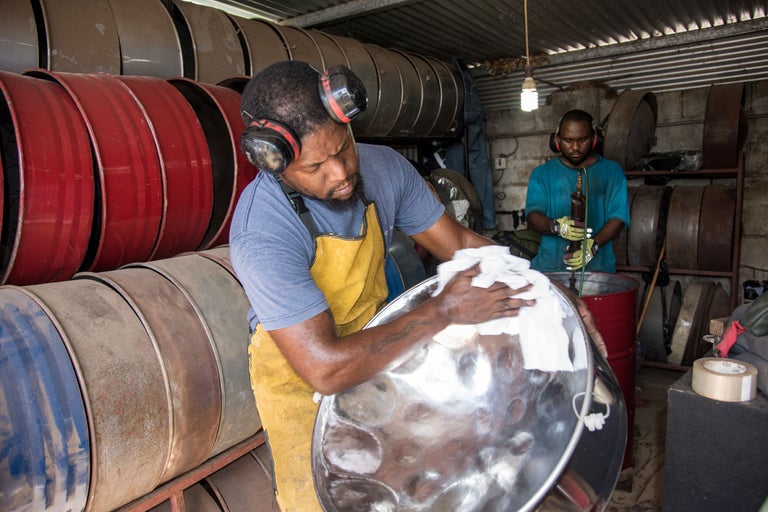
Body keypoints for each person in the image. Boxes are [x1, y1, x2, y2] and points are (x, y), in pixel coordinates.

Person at [229, 62, 603, 511]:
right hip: (300, 374)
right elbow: (324, 368)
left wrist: (551, 290)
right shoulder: (262, 230)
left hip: (376, 346)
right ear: (277, 164)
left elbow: (461, 243)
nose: (341, 172)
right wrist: (444, 310)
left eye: (342, 147)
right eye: (315, 167)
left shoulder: (383, 168)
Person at [525, 109, 630, 273]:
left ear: (595, 139)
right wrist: (557, 227)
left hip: (597, 269)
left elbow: (618, 217)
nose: (575, 147)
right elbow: (533, 217)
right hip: (551, 268)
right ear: (557, 140)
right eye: (568, 140)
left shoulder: (612, 171)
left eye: (582, 140)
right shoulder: (542, 173)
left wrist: (594, 245)